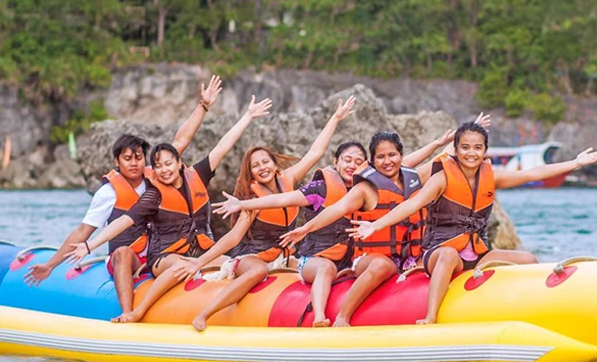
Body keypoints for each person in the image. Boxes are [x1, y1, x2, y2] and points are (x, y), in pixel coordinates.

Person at [349, 120, 597, 324]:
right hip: (439, 253)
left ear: (484, 151)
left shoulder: (491, 177)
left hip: (477, 253)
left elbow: (532, 173)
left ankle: (537, 312)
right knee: (449, 254)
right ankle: (431, 316)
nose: (471, 153)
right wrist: (375, 225)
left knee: (527, 259)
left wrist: (575, 163)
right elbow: (411, 205)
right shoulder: (442, 178)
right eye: (465, 147)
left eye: (477, 148)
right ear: (456, 150)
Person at [213, 123, 459, 327]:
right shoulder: (338, 188)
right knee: (332, 268)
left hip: (390, 259)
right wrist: (248, 206)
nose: (352, 165)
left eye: (358, 161)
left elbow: (420, 163)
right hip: (328, 258)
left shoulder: (400, 179)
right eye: (347, 160)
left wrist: (443, 143)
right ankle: (332, 316)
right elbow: (290, 199)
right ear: (337, 162)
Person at [23, 75, 224, 314]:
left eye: (138, 157)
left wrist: (203, 107)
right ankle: (127, 313)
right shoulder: (108, 193)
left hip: (159, 256)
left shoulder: (155, 176)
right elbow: (82, 232)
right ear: (116, 162)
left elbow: (180, 141)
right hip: (126, 259)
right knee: (123, 253)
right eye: (127, 159)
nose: (134, 163)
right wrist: (50, 265)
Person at [67, 95, 273, 323]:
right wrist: (90, 245)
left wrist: (248, 116)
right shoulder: (153, 195)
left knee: (249, 265)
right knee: (182, 266)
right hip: (165, 257)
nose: (164, 170)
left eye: (168, 164)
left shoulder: (198, 175)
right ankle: (138, 311)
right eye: (158, 166)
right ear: (153, 171)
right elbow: (123, 221)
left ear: (178, 163)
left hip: (201, 254)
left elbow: (223, 146)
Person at [173, 96, 357, 331]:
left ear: (274, 164)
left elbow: (315, 153)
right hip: (252, 258)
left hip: (282, 258)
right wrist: (200, 261)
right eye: (255, 166)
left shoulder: (288, 179)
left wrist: (335, 118)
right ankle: (205, 313)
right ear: (250, 173)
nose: (262, 168)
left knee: (317, 267)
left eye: (265, 162)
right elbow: (233, 238)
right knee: (259, 270)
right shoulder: (253, 200)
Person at [279, 130, 443, 327]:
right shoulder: (365, 189)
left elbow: (451, 160)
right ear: (372, 162)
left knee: (437, 258)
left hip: (409, 259)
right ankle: (342, 316)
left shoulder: (413, 180)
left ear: (401, 155)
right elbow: (337, 209)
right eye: (380, 157)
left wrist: (444, 141)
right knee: (381, 265)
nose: (387, 161)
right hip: (370, 259)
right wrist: (305, 228)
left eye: (392, 155)